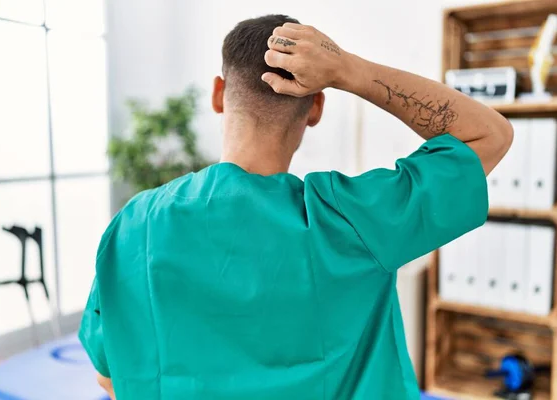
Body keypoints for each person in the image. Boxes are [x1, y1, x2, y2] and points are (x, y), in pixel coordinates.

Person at [80, 14, 512, 400]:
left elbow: (109, 376)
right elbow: (489, 134)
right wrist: (349, 70)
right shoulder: (352, 220)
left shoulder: (134, 224)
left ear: (218, 94)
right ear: (316, 108)